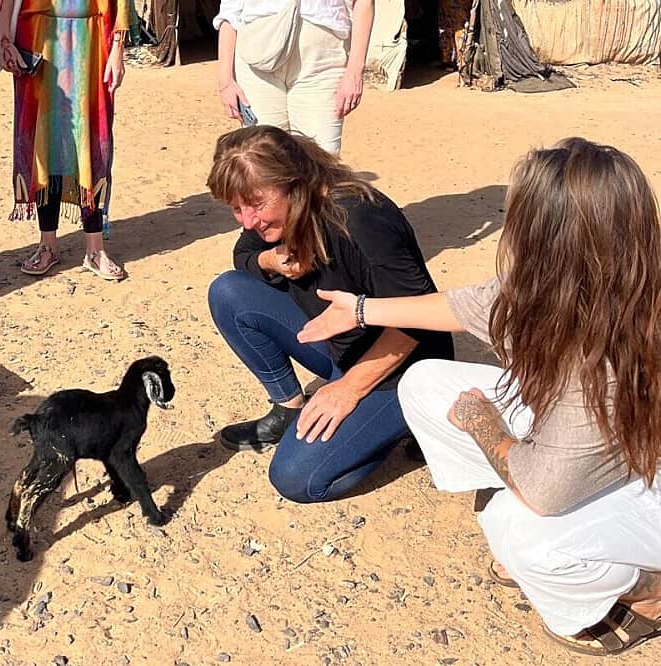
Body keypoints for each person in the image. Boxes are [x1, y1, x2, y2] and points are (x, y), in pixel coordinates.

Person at [301, 138, 661, 655]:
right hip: (596, 445)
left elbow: (544, 490)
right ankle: (534, 504)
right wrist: (360, 310)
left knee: (527, 538)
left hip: (641, 477)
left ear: (549, 237)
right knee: (424, 383)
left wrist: (484, 422)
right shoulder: (571, 284)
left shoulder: (599, 360)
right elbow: (463, 306)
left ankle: (648, 592)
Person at [206, 126, 453, 503]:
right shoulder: (277, 216)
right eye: (236, 208)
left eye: (255, 205)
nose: (247, 221)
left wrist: (349, 389)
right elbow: (243, 255)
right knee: (228, 291)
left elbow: (418, 320)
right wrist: (271, 260)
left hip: (401, 363)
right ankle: (289, 410)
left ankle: (411, 420)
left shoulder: (359, 218)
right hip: (337, 342)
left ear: (294, 183)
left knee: (295, 479)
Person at [0, 0, 135, 281]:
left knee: (91, 141)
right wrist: (4, 41)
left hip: (93, 40)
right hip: (37, 39)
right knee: (45, 145)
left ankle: (95, 249)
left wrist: (118, 48)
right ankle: (47, 244)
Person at [213, 0, 374, 154]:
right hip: (257, 56)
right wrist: (225, 79)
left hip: (322, 61)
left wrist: (355, 71)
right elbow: (230, 8)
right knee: (264, 159)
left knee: (321, 158)